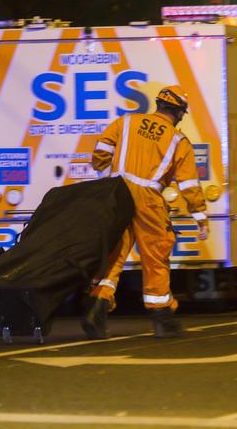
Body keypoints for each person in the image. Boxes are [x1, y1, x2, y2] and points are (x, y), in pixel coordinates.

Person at [83, 85, 209, 339]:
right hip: (148, 199)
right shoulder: (178, 140)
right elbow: (188, 184)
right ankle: (162, 315)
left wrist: (105, 175)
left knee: (115, 250)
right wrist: (200, 216)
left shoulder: (127, 122)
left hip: (117, 193)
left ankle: (98, 304)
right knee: (155, 253)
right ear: (180, 112)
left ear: (159, 105)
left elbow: (101, 150)